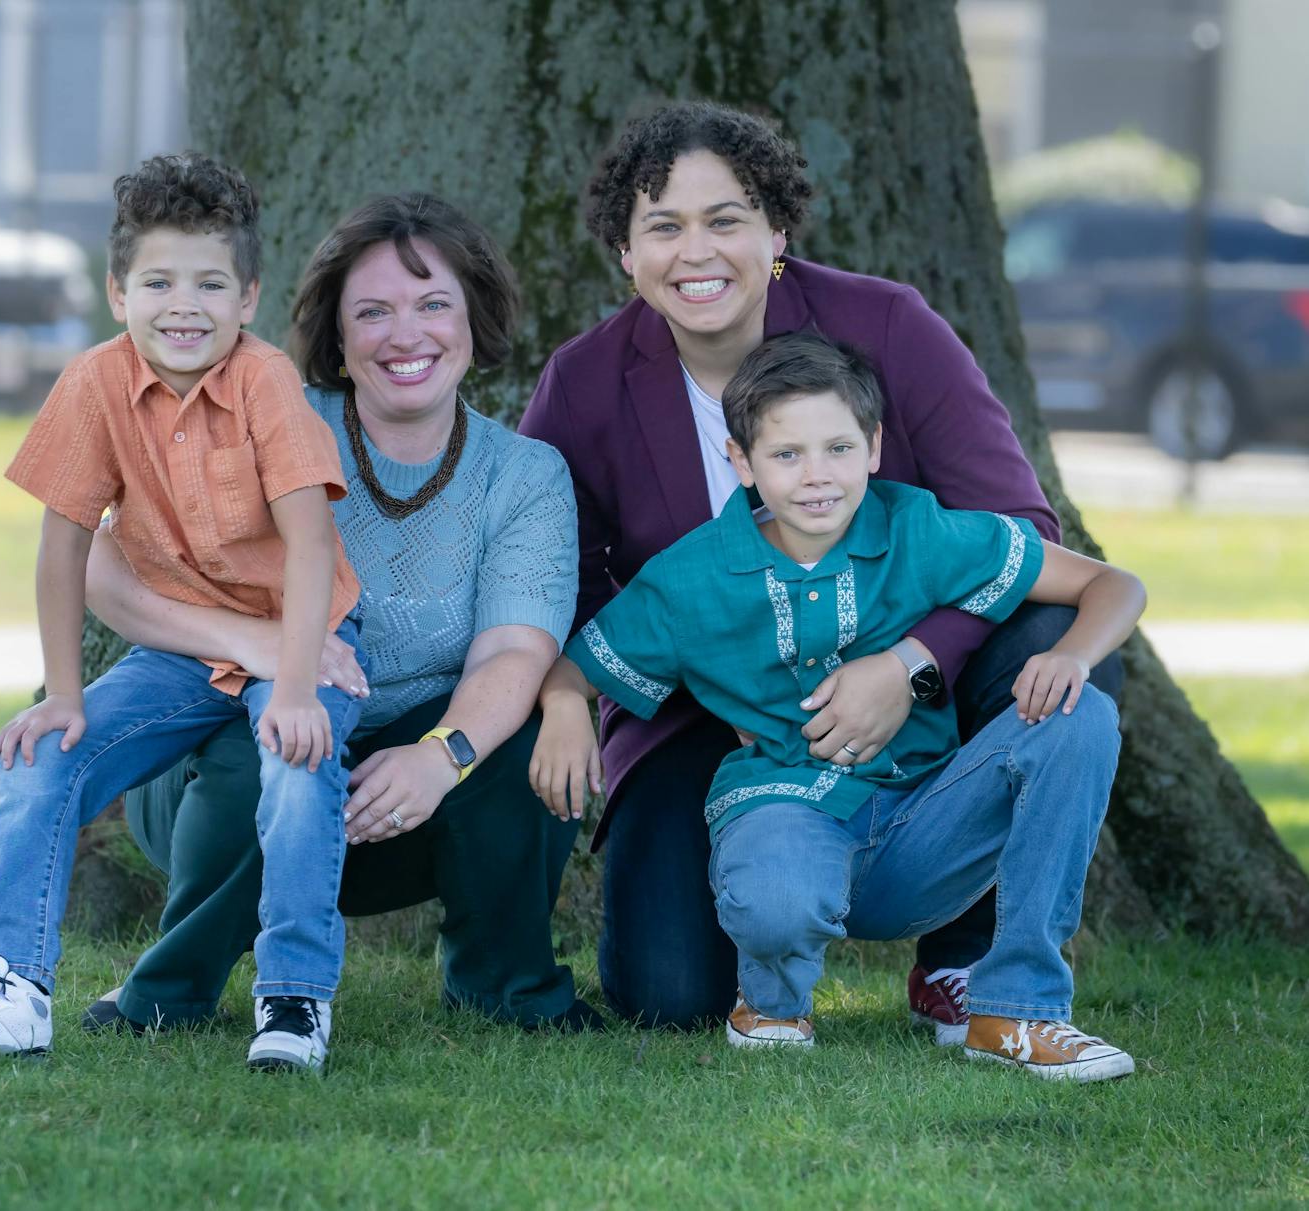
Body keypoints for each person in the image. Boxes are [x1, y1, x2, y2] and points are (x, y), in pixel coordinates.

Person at [518, 99, 1122, 1040]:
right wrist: (578, 695)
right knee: (668, 994)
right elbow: (552, 571)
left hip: (906, 674)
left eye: (726, 220)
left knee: (1058, 645)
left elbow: (1019, 523)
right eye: (664, 227)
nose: (698, 252)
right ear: (625, 255)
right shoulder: (586, 382)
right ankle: (770, 930)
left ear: (778, 231)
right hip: (704, 703)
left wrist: (911, 661)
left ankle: (967, 955)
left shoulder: (885, 325)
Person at [533, 331, 1145, 1080]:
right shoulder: (691, 578)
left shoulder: (915, 528)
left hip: (925, 821)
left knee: (1077, 716)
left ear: (875, 446)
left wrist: (1071, 655)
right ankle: (772, 1005)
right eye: (786, 455)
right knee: (776, 894)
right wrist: (565, 705)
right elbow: (577, 666)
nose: (816, 477)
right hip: (787, 807)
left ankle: (1017, 1009)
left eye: (838, 449)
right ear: (741, 461)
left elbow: (1115, 586)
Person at [77, 193, 604, 1036]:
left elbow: (513, 647)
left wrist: (441, 755)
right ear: (337, 331)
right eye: (373, 312)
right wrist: (248, 642)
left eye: (434, 304)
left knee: (523, 734)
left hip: (404, 800)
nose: (407, 334)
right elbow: (101, 559)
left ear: (474, 320)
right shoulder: (263, 420)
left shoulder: (526, 474)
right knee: (273, 728)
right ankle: (170, 990)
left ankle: (506, 987)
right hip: (226, 774)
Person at [0, 154, 364, 1073]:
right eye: (157, 281)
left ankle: (295, 998)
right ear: (117, 292)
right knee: (38, 755)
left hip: (305, 638)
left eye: (209, 284)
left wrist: (299, 684)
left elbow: (310, 546)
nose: (183, 305)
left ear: (248, 298)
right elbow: (62, 547)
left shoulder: (266, 383)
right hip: (180, 647)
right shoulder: (92, 385)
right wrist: (62, 696)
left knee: (297, 762)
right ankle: (7, 989)